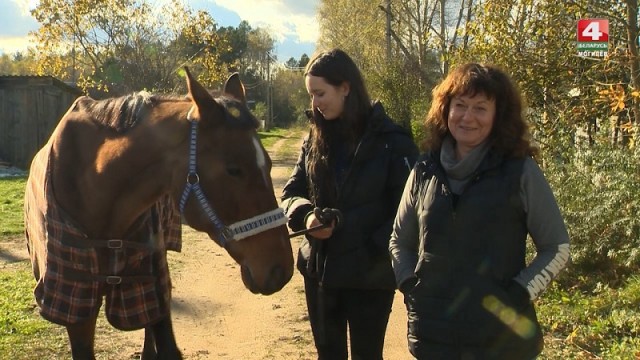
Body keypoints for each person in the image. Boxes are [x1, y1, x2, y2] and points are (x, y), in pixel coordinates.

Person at [389, 62, 571, 359]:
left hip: (501, 340)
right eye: (460, 105)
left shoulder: (520, 171)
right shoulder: (424, 170)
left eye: (480, 108)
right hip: (434, 336)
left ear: (498, 115)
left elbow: (557, 248)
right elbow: (399, 240)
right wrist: (410, 285)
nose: (467, 117)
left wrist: (518, 294)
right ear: (445, 110)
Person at [281, 48, 419, 360]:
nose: (315, 104)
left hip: (370, 275)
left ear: (345, 87)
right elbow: (291, 193)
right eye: (311, 95)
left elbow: (408, 210)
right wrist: (306, 218)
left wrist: (371, 247)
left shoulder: (392, 141)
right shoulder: (313, 138)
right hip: (320, 271)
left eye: (320, 93)